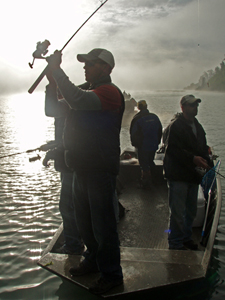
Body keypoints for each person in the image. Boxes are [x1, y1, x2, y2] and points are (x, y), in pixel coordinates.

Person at [45, 48, 124, 294]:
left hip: (100, 168)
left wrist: (57, 71)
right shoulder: (88, 92)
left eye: (90, 63)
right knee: (85, 223)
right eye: (85, 63)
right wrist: (50, 83)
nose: (85, 67)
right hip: (80, 167)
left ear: (105, 68)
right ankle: (92, 261)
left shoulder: (109, 93)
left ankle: (112, 274)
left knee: (103, 225)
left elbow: (77, 99)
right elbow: (52, 110)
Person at [163, 94, 212, 250]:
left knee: (190, 211)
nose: (195, 108)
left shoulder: (197, 126)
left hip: (192, 176)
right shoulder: (175, 126)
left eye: (196, 105)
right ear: (183, 107)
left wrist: (207, 163)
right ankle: (175, 242)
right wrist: (193, 159)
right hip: (178, 176)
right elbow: (171, 150)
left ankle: (186, 238)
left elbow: (202, 148)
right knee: (177, 212)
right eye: (191, 105)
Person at [43, 83, 84, 255]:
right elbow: (64, 139)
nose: (58, 97)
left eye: (59, 93)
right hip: (71, 164)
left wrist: (52, 152)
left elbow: (70, 141)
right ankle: (78, 240)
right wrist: (52, 145)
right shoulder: (72, 111)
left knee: (67, 207)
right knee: (75, 205)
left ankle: (73, 245)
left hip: (70, 167)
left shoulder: (68, 110)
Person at [130, 100, 162, 188]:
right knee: (151, 161)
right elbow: (160, 130)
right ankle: (156, 180)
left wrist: (135, 144)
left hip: (142, 146)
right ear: (146, 106)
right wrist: (158, 142)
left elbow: (133, 133)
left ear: (138, 107)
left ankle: (146, 183)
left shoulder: (137, 118)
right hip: (153, 145)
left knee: (144, 164)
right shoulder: (154, 117)